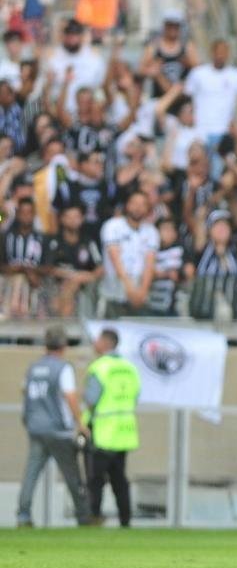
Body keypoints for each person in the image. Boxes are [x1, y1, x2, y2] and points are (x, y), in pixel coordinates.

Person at [16, 325, 92, 526]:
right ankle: (83, 516)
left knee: (31, 474)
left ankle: (23, 515)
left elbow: (24, 390)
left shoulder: (33, 367)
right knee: (72, 475)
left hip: (35, 427)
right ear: (64, 345)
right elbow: (70, 396)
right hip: (58, 430)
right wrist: (80, 423)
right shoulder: (62, 367)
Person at [84, 327, 140, 527]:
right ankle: (126, 520)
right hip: (124, 432)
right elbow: (135, 397)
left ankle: (94, 517)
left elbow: (91, 399)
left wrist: (84, 423)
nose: (95, 343)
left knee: (95, 479)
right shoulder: (130, 368)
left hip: (103, 432)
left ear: (107, 343)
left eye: (98, 339)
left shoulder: (100, 367)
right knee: (120, 481)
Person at [183, 39, 237, 145]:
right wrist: (188, 116)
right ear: (212, 52)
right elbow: (186, 98)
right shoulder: (198, 73)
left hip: (225, 133)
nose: (221, 55)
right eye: (218, 51)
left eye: (224, 52)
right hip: (199, 131)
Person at [99, 190, 157, 317]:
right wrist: (129, 288)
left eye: (143, 204)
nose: (138, 208)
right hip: (114, 288)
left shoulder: (151, 231)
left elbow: (149, 264)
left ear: (148, 208)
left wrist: (143, 291)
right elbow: (115, 258)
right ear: (127, 205)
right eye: (134, 203)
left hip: (139, 289)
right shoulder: (113, 226)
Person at [45, 19, 105, 119]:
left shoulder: (94, 59)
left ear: (82, 35)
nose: (71, 37)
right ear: (63, 35)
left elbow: (100, 91)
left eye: (75, 33)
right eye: (68, 33)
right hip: (59, 114)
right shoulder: (52, 58)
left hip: (87, 116)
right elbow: (46, 92)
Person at [138, 9, 197, 99]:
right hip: (159, 98)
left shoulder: (187, 46)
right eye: (170, 25)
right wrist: (153, 72)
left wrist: (189, 64)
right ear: (165, 26)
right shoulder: (154, 47)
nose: (173, 29)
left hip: (182, 98)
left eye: (176, 26)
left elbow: (199, 69)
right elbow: (140, 70)